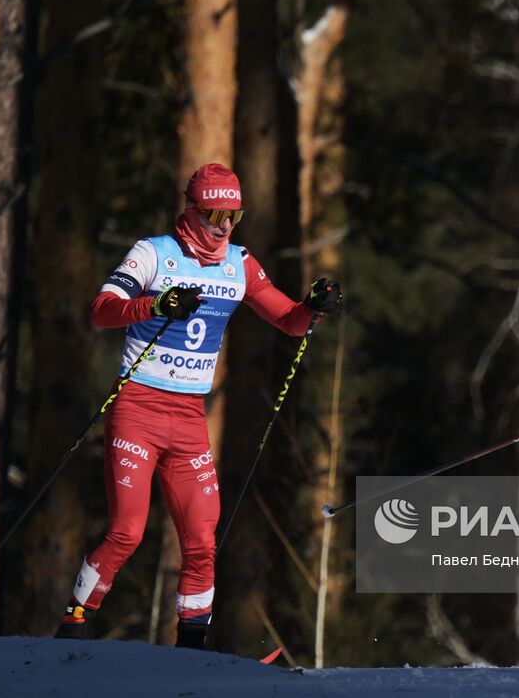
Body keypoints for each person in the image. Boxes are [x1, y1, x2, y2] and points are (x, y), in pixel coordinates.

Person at [54, 164, 342, 647]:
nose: (225, 226)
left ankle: (191, 645)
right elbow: (101, 311)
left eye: (234, 215)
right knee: (127, 531)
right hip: (138, 408)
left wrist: (312, 306)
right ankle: (76, 623)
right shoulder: (154, 254)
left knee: (202, 540)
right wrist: (155, 304)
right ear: (190, 211)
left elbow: (290, 322)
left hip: (189, 418)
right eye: (214, 214)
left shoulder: (240, 263)